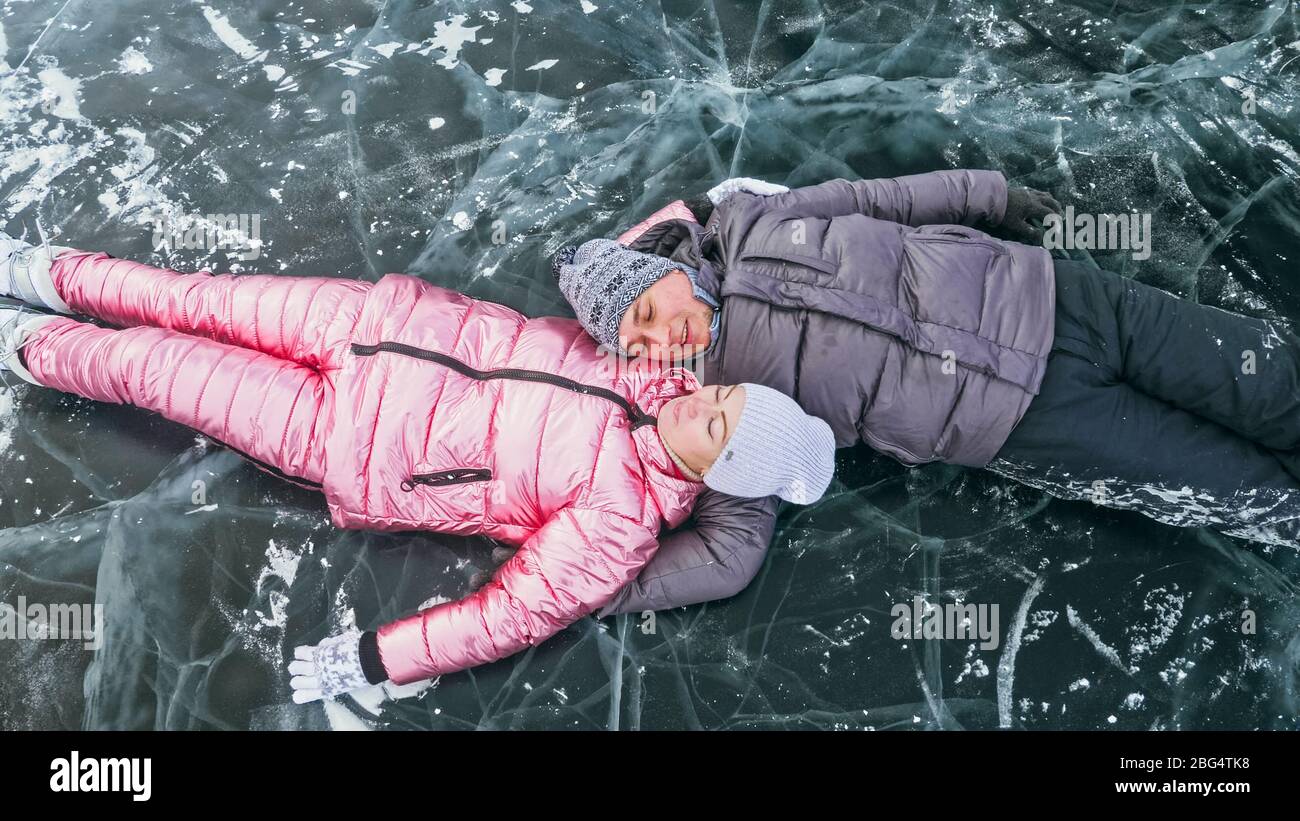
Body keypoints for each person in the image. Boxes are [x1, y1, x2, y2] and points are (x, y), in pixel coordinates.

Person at [0, 231, 837, 703]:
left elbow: (507, 615)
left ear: (721, 472)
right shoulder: (650, 362)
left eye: (718, 430)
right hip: (372, 320)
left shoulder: (617, 524)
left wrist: (373, 658)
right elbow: (627, 266)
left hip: (348, 437)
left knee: (155, 369)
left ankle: (28, 345)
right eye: (723, 400)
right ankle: (41, 270)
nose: (702, 406)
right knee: (186, 294)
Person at [551, 169, 1300, 591]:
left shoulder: (755, 219)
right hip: (1027, 420)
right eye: (638, 343)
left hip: (1058, 298)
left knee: (1270, 381)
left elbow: (882, 200)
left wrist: (991, 196)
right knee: (1241, 487)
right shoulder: (724, 401)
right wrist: (593, 590)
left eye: (649, 309)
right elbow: (730, 546)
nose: (660, 337)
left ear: (667, 271)